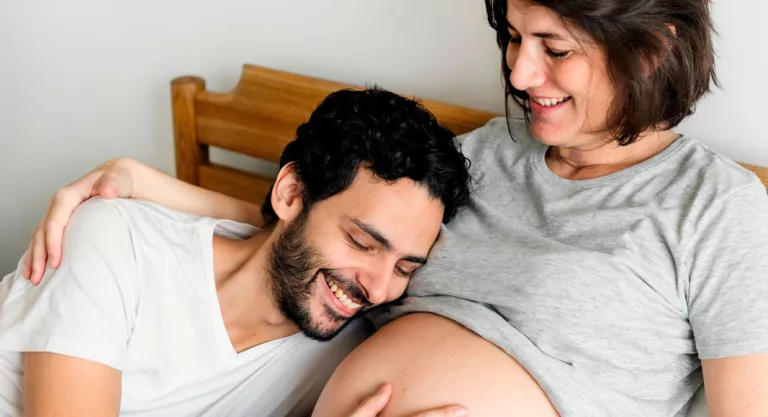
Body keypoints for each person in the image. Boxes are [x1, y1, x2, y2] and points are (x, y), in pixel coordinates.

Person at [22, 0, 768, 416]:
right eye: (512, 38)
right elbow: (329, 227)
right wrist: (142, 185)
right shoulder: (481, 155)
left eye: (553, 47)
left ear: (649, 47)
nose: (518, 70)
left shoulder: (717, 208)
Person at [0, 87, 473, 417]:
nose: (376, 287)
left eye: (405, 267)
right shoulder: (114, 240)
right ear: (290, 194)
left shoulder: (343, 360)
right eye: (362, 242)